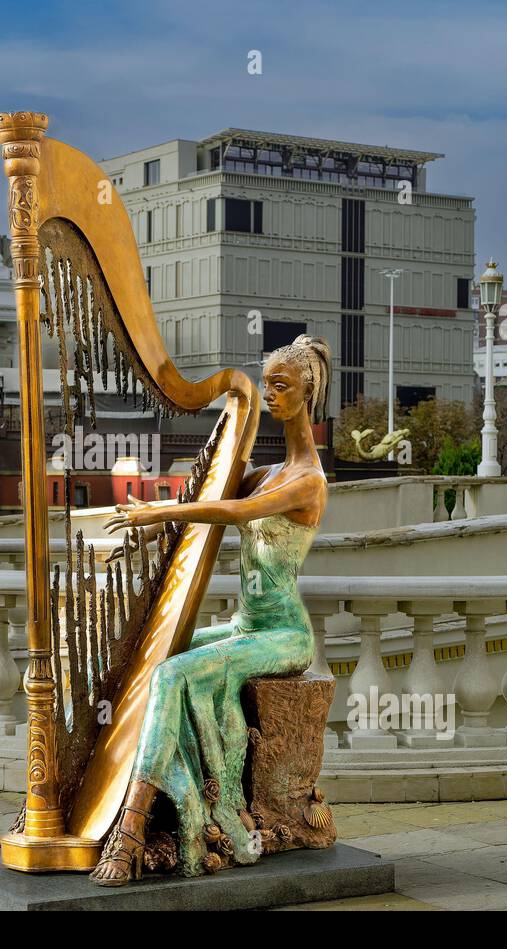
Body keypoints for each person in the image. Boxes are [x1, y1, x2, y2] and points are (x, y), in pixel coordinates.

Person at [91, 335, 332, 885]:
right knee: (160, 659)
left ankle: (131, 828)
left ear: (307, 393)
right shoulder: (269, 471)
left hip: (283, 635)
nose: (269, 393)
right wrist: (154, 534)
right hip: (247, 627)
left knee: (176, 673)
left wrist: (164, 508)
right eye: (265, 383)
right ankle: (147, 805)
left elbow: (236, 510)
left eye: (281, 385)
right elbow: (216, 504)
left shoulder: (306, 482)